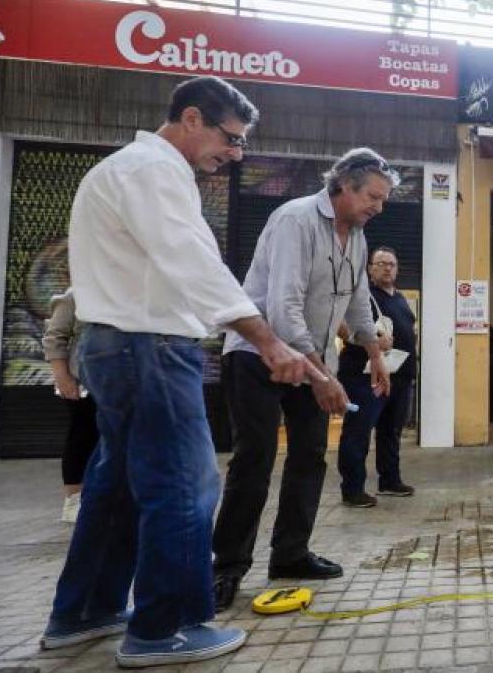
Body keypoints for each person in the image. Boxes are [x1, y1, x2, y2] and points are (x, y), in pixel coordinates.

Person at [41, 76, 321, 668]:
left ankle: (85, 611)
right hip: (148, 348)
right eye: (231, 138)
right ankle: (166, 626)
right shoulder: (153, 172)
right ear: (191, 118)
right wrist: (266, 340)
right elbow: (195, 262)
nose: (235, 153)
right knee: (184, 485)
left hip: (116, 346)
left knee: (117, 484)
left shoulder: (126, 170)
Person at [212, 148, 393, 611]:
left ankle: (290, 555)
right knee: (255, 458)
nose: (378, 207)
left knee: (311, 455)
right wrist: (322, 375)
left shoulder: (356, 238)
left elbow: (355, 303)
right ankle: (225, 567)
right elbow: (283, 309)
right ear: (343, 186)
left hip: (309, 357)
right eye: (373, 196)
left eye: (384, 200)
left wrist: (373, 353)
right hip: (258, 354)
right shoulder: (295, 220)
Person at [336, 246, 418, 507]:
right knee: (358, 432)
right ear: (370, 268)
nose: (387, 268)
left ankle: (390, 480)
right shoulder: (362, 295)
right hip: (364, 377)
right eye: (380, 263)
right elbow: (340, 326)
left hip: (399, 376)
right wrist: (371, 341)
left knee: (391, 431)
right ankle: (352, 489)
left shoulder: (400, 298)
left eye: (391, 264)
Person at [42, 288, 99, 523]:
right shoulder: (74, 295)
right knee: (81, 436)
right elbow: (54, 337)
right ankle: (73, 501)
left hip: (113, 381)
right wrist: (62, 377)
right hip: (80, 381)